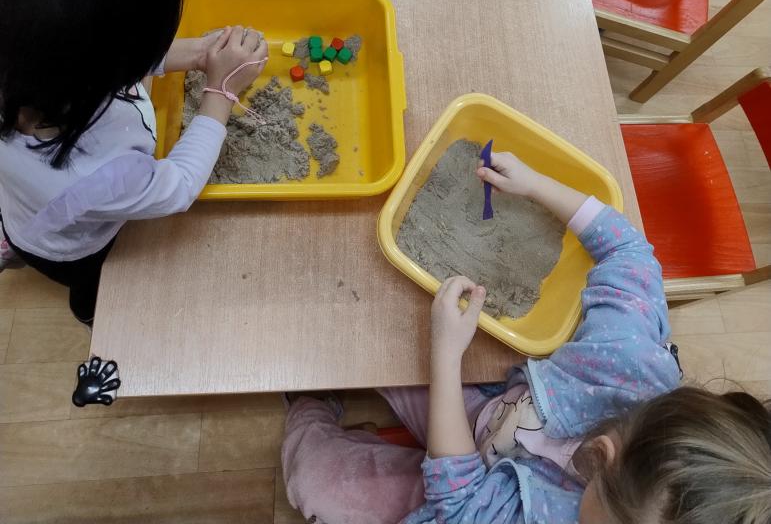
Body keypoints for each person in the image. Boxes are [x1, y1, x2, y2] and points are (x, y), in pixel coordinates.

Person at [281, 151, 771, 524]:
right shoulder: (627, 358)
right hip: (489, 410)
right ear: (602, 457)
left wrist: (446, 356)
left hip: (467, 493)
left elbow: (459, 504)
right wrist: (536, 185)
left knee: (319, 483)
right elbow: (627, 251)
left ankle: (310, 413)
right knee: (377, 338)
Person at [0, 0, 268, 325]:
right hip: (73, 248)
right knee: (95, 288)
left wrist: (198, 54)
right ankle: (89, 311)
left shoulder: (29, 66)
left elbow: (103, 54)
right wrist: (220, 92)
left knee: (27, 214)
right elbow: (180, 185)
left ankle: (15, 235)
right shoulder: (103, 174)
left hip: (27, 199)